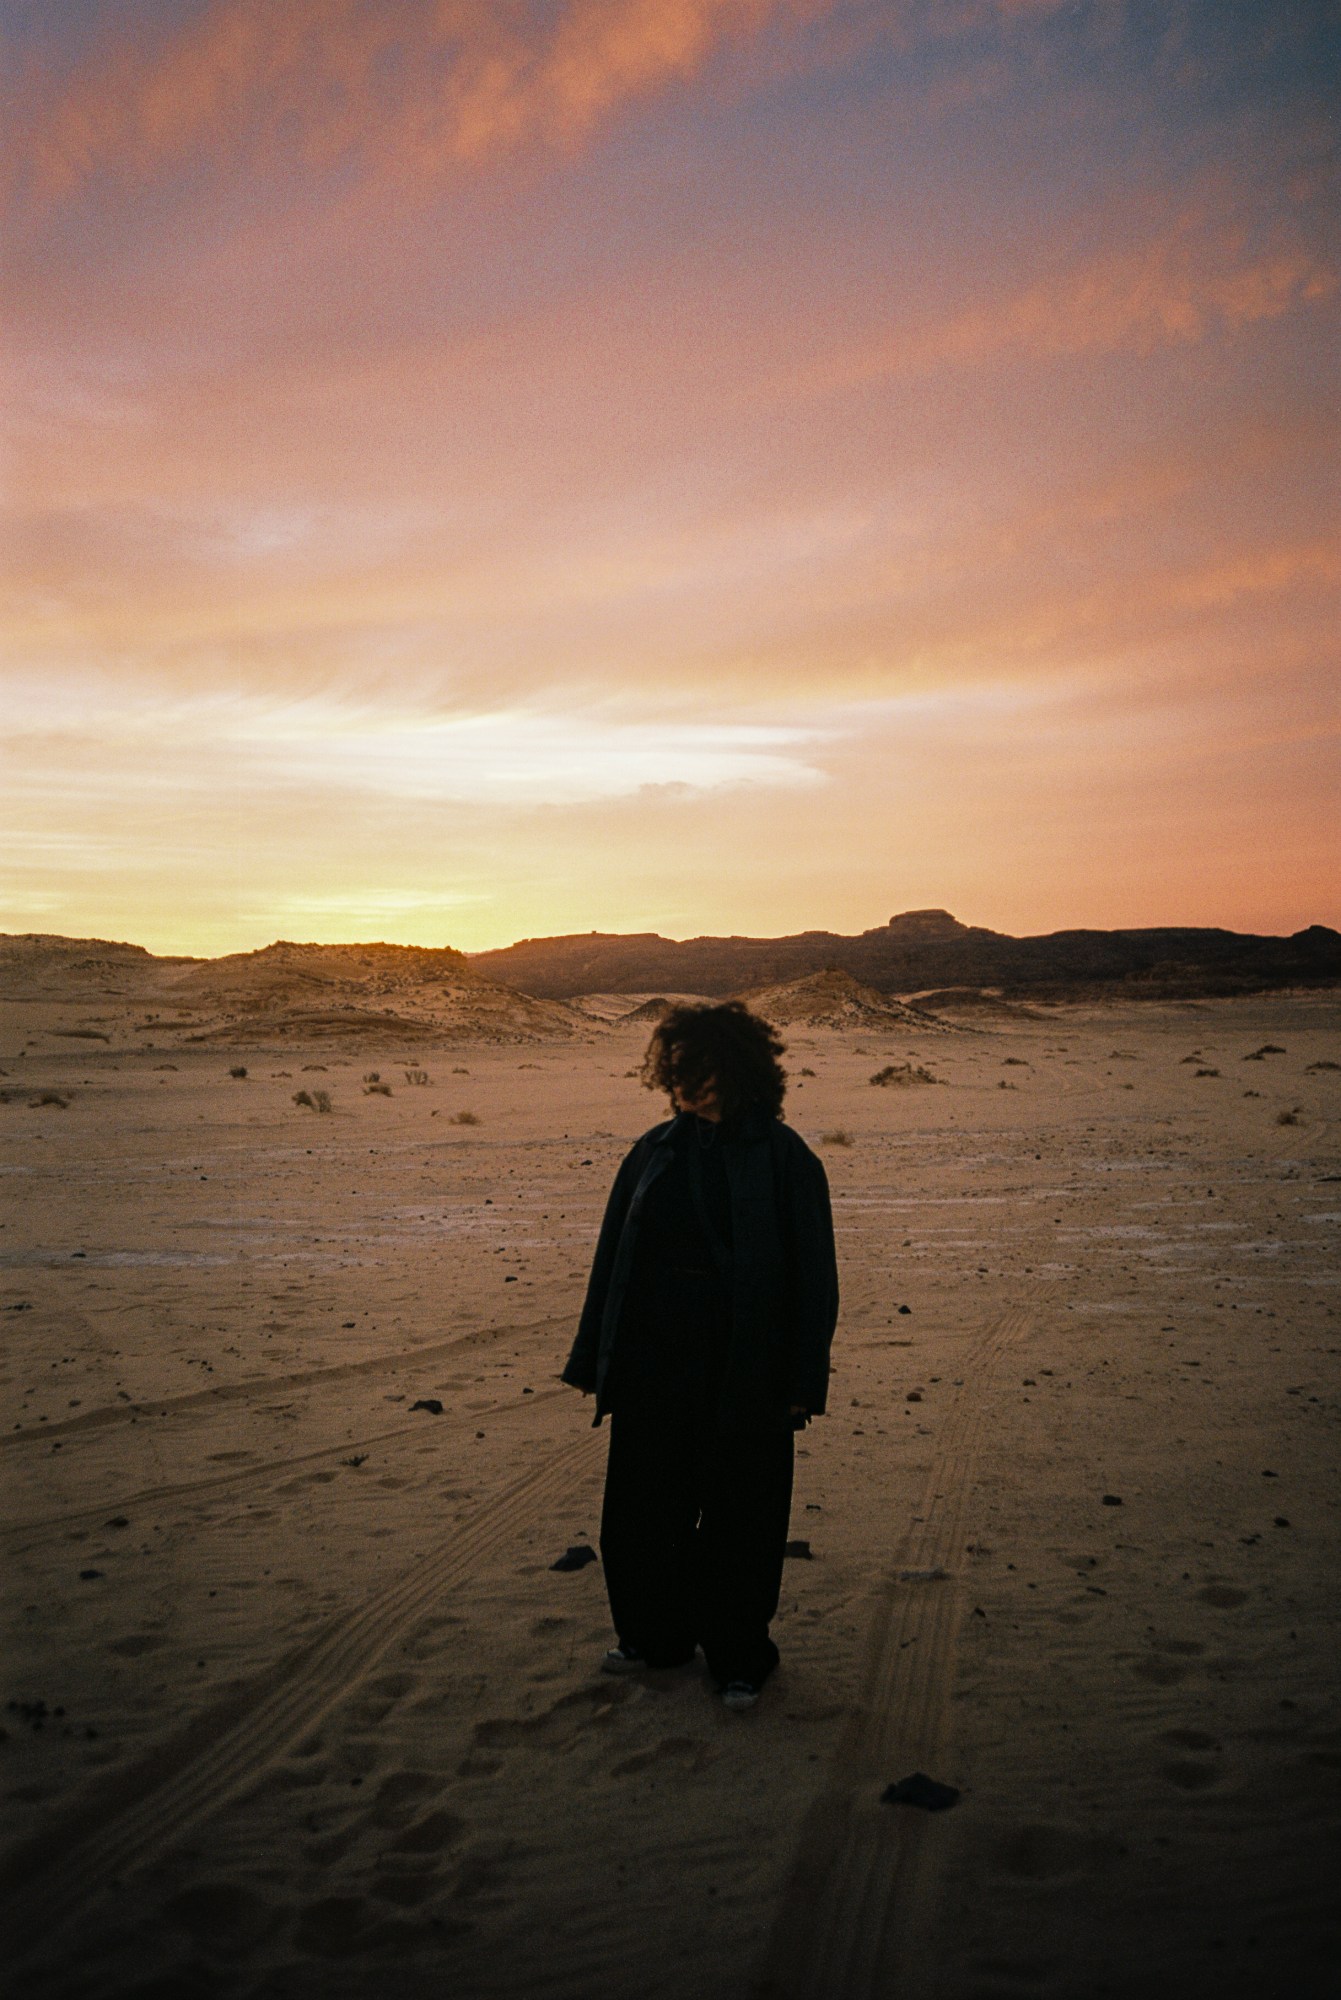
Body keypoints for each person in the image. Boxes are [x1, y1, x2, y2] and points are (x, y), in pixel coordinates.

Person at [561, 1001, 839, 1710]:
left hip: (748, 1362)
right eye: (679, 1069)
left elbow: (814, 1279)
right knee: (640, 1506)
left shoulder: (785, 1159)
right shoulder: (653, 1150)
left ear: (741, 1072)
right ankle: (654, 1638)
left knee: (741, 1514)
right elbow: (613, 1262)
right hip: (657, 1358)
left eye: (704, 1069)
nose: (688, 1083)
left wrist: (804, 1379)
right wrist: (599, 1354)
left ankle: (740, 1656)